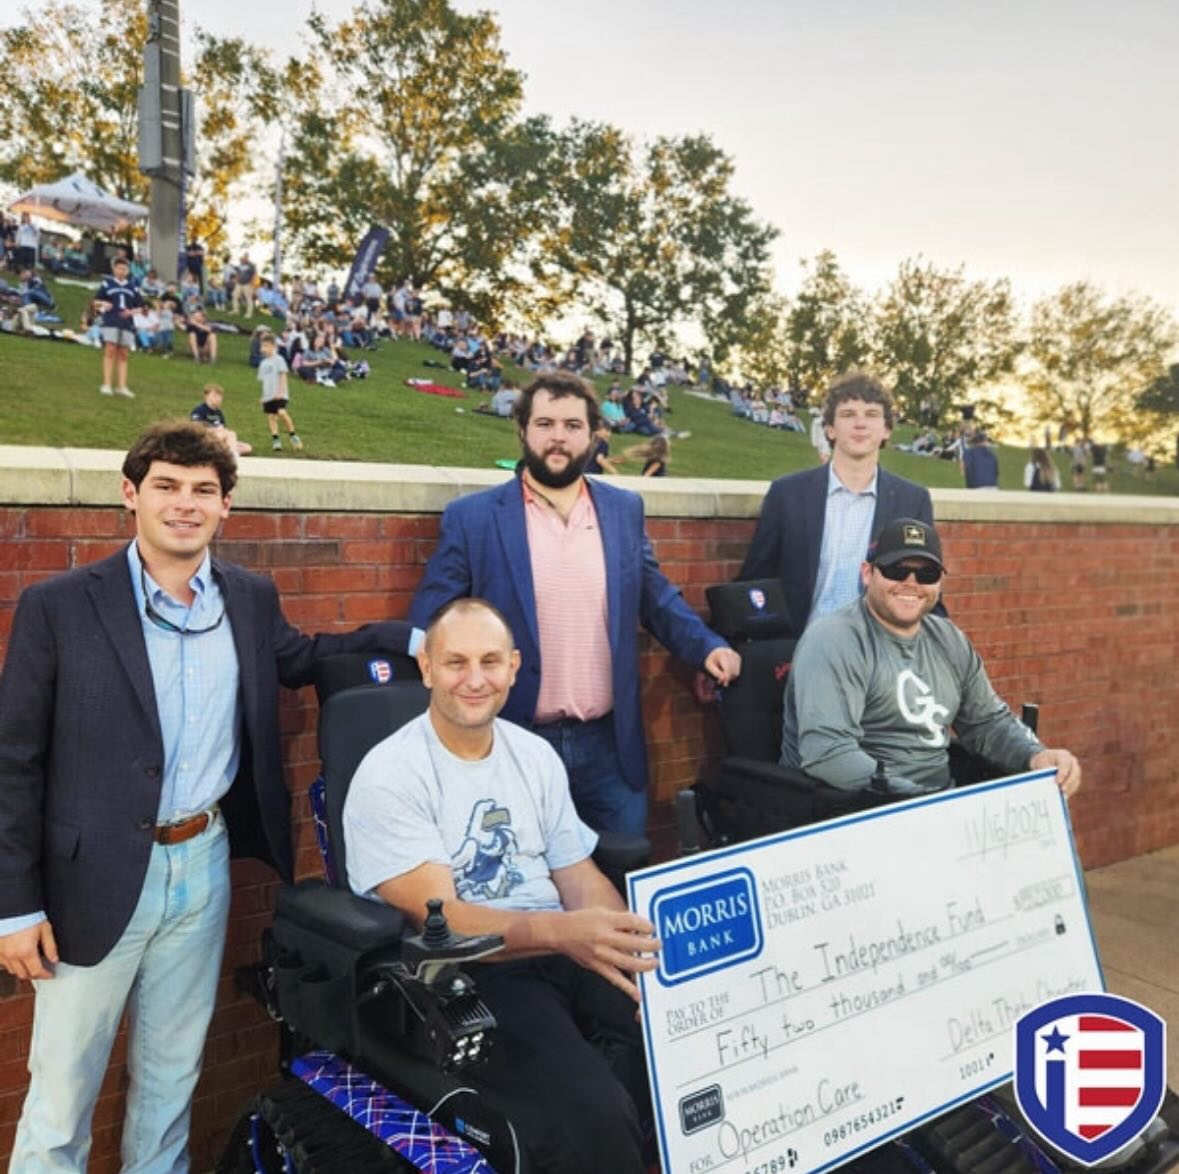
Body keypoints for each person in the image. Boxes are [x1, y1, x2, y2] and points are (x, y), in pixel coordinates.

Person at [0, 421, 418, 1172]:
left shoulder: (249, 599)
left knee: (169, 1084)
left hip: (202, 864)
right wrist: (15, 905)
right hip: (86, 882)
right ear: (130, 495)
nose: (184, 504)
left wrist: (417, 641)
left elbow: (306, 657)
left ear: (227, 505)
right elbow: (14, 759)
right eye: (166, 485)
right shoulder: (59, 605)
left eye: (204, 490)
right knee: (61, 1096)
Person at [344, 599, 657, 1174]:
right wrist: (563, 934)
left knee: (673, 1051)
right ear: (428, 668)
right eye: (456, 662)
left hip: (565, 947)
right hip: (472, 971)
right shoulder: (392, 773)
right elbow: (445, 920)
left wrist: (626, 950)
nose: (474, 678)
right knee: (595, 1116)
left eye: (490, 661)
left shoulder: (533, 755)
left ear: (514, 667)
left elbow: (578, 876)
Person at [408, 372, 740, 836]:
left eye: (572, 425)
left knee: (619, 883)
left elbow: (655, 596)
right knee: (528, 894)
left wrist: (706, 648)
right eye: (544, 423)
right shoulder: (474, 519)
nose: (558, 437)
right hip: (512, 740)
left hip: (609, 744)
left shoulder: (623, 510)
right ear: (522, 430)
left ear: (593, 435)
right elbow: (430, 621)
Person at [780, 517, 1081, 798]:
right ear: (867, 573)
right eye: (896, 570)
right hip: (858, 810)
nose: (911, 582)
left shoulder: (949, 639)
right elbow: (829, 754)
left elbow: (987, 722)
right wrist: (922, 803)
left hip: (937, 807)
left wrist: (1035, 755)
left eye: (927, 574)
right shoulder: (835, 639)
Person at [739, 370, 935, 636]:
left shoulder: (912, 501)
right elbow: (755, 582)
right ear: (830, 429)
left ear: (886, 429)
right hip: (800, 652)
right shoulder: (787, 494)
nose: (860, 424)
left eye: (871, 414)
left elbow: (926, 591)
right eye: (847, 414)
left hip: (877, 658)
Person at [95, 255, 142, 398]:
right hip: (111, 320)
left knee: (124, 354)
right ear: (114, 269)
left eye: (125, 269)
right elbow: (96, 301)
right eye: (120, 268)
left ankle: (122, 386)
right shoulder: (107, 284)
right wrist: (103, 304)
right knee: (110, 349)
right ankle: (107, 384)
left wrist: (131, 312)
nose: (122, 271)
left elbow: (142, 307)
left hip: (127, 323)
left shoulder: (133, 287)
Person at [257, 334, 303, 452]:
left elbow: (283, 376)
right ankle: (276, 440)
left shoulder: (279, 360)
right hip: (268, 395)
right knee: (272, 417)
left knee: (281, 412)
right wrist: (263, 396)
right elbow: (264, 382)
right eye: (262, 346)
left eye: (266, 346)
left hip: (279, 394)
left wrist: (281, 392)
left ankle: (293, 435)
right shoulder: (263, 363)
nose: (263, 348)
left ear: (273, 346)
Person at [191, 382, 252, 456]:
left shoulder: (219, 412)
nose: (217, 398)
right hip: (205, 439)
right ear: (206, 396)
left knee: (247, 448)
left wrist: (222, 431)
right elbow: (196, 429)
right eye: (214, 396)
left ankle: (224, 452)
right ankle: (233, 455)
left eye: (219, 396)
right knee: (231, 434)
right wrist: (214, 429)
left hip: (219, 438)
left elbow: (223, 427)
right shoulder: (199, 410)